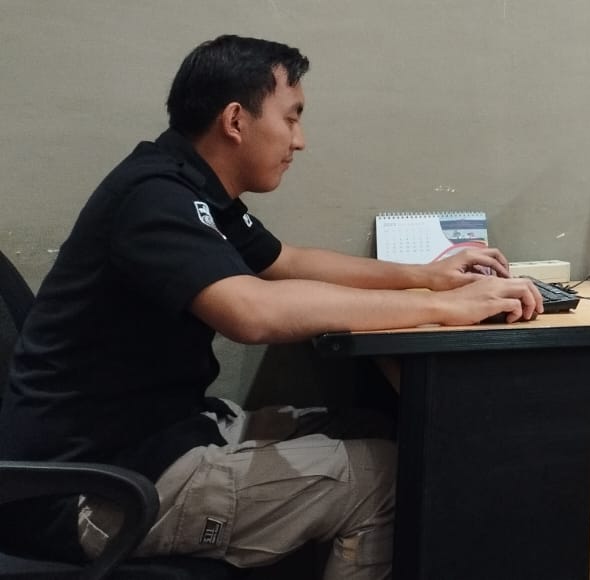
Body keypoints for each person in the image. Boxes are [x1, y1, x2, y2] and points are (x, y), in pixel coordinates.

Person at [0, 35, 543, 578]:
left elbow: (288, 261)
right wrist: (448, 311)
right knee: (386, 477)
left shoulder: (196, 188)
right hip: (91, 490)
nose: (299, 141)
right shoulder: (155, 197)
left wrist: (429, 278)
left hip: (154, 439)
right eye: (292, 117)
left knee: (376, 426)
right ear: (236, 120)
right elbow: (253, 312)